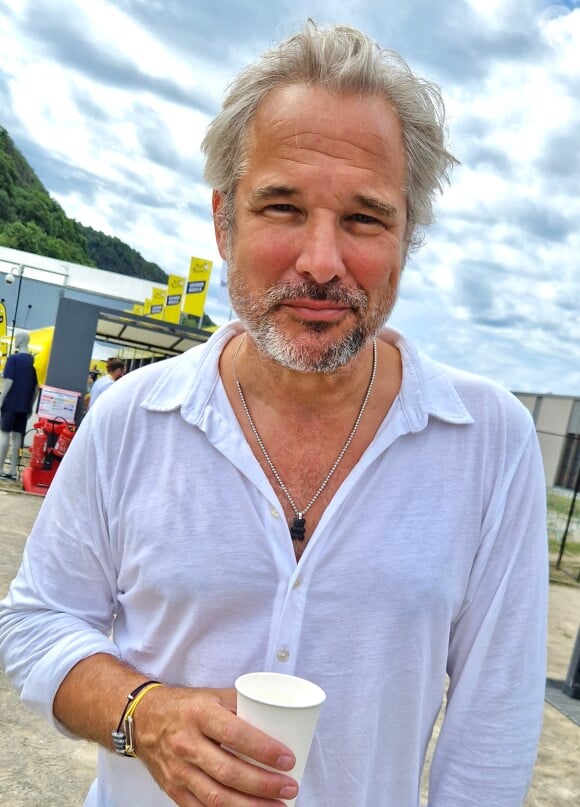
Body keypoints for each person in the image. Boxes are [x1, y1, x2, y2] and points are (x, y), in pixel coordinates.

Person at [0, 21, 548, 807]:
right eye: (282, 206)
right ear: (224, 222)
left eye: (365, 218)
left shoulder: (488, 443)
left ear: (407, 237)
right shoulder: (130, 419)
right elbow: (37, 622)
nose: (322, 261)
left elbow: (492, 729)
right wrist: (142, 714)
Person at [0, 331, 38, 480]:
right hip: (24, 406)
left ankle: (1, 468)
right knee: (17, 437)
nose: (15, 341)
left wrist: (1, 399)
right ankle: (14, 471)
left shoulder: (13, 359)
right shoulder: (32, 364)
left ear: (21, 340)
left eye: (16, 338)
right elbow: (36, 388)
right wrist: (30, 406)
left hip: (11, 403)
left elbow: (9, 381)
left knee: (4, 434)